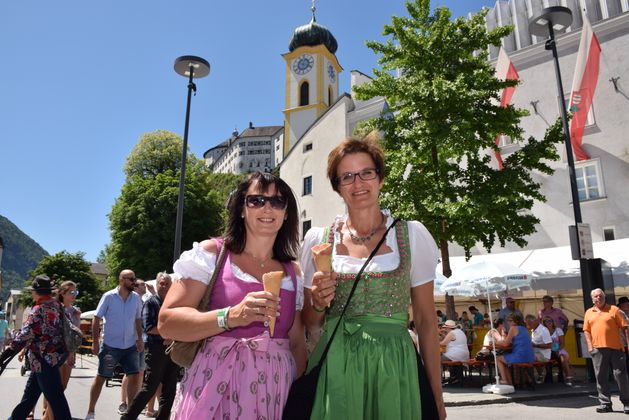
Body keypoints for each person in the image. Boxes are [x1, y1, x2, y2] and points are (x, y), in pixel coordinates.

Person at [301, 137, 445, 419]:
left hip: (395, 365)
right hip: (337, 365)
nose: (358, 183)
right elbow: (310, 322)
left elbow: (426, 322)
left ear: (380, 178)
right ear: (337, 187)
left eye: (366, 172)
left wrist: (436, 397)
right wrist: (317, 303)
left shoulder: (412, 235)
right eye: (347, 176)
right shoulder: (318, 240)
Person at [159, 171, 307, 420]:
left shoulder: (294, 273)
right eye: (256, 200)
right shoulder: (212, 254)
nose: (267, 207)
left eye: (277, 201)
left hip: (274, 392)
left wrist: (296, 398)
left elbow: (296, 344)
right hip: (215, 386)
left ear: (286, 213)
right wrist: (230, 316)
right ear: (241, 209)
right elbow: (167, 323)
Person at [0, 275, 72, 419]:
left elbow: (26, 334)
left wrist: (6, 353)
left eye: (32, 291)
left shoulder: (39, 309)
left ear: (36, 292)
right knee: (29, 399)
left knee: (56, 399)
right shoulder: (57, 305)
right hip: (51, 358)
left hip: (42, 360)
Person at [85, 269, 144, 420]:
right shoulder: (109, 296)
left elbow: (138, 319)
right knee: (101, 377)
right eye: (131, 279)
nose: (134, 282)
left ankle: (131, 413)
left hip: (130, 345)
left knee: (134, 376)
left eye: (134, 279)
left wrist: (139, 339)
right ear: (122, 279)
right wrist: (95, 342)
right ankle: (91, 411)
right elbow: (96, 318)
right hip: (110, 346)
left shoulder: (136, 298)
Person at [122, 272, 178, 420]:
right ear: (157, 285)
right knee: (150, 387)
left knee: (170, 389)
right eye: (161, 283)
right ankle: (128, 417)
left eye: (167, 283)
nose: (164, 286)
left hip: (172, 348)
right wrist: (169, 333)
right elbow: (149, 327)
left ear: (171, 285)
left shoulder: (174, 303)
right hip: (156, 349)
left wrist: (173, 336)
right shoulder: (151, 302)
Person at [583, 288, 629, 414]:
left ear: (604, 297)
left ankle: (627, 402)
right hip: (598, 349)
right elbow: (586, 330)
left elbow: (625, 328)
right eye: (596, 296)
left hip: (616, 348)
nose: (598, 298)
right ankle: (605, 403)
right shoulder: (589, 312)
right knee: (601, 377)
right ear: (592, 299)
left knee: (620, 375)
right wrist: (590, 346)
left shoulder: (614, 310)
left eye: (600, 296)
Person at [41, 281, 81, 420]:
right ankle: (48, 416)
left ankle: (47, 415)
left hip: (68, 352)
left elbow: (74, 335)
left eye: (76, 292)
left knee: (63, 387)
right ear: (62, 293)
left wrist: (72, 353)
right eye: (71, 292)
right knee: (55, 389)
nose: (74, 295)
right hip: (56, 352)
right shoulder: (56, 308)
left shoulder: (75, 312)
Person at [495, 314, 535, 386]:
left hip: (521, 356)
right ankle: (510, 383)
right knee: (504, 360)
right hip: (530, 357)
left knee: (498, 358)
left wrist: (496, 342)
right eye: (508, 321)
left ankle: (504, 380)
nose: (508, 322)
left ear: (516, 321)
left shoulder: (513, 328)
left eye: (510, 321)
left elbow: (505, 344)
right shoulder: (524, 328)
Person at [542, 317, 573, 386]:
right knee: (544, 357)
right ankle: (547, 376)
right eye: (547, 321)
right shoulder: (543, 331)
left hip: (559, 349)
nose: (549, 322)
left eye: (550, 320)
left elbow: (562, 344)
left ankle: (568, 377)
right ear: (544, 323)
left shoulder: (558, 330)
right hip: (548, 350)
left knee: (563, 359)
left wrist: (557, 350)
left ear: (553, 322)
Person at [524, 314, 552, 383]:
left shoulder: (543, 330)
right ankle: (536, 376)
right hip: (536, 353)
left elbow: (549, 345)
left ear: (535, 321)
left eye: (529, 324)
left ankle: (532, 379)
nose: (528, 326)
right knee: (522, 356)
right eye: (527, 324)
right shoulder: (533, 330)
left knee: (526, 359)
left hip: (544, 355)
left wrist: (536, 345)